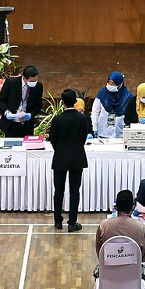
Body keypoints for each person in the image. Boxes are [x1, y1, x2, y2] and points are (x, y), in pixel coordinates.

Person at [48, 89, 90, 232]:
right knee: (74, 190)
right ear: (75, 101)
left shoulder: (57, 119)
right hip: (77, 157)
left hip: (60, 158)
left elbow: (52, 139)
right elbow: (84, 137)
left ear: (62, 103)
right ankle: (72, 222)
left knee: (58, 191)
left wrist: (60, 150)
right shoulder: (83, 119)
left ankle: (57, 221)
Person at [95, 190, 145, 261]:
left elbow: (100, 253)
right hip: (133, 267)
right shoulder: (141, 227)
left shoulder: (103, 226)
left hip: (109, 267)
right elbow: (144, 257)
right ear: (133, 207)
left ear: (116, 207)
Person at [0, 64, 44, 137]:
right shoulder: (11, 82)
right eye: (32, 81)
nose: (34, 83)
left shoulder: (38, 86)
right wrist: (6, 112)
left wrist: (31, 114)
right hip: (11, 124)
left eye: (36, 80)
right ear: (24, 78)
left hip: (27, 125)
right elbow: (1, 100)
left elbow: (38, 105)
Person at [90, 71, 133, 138]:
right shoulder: (102, 94)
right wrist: (94, 127)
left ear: (119, 84)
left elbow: (131, 114)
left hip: (121, 133)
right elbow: (95, 111)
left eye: (113, 83)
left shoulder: (127, 96)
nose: (110, 85)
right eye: (109, 82)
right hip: (104, 133)